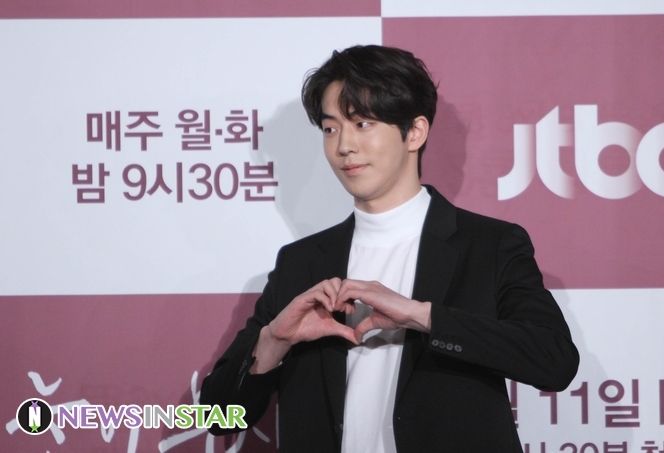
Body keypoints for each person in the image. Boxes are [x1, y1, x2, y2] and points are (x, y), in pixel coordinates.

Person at [200, 45, 579, 453]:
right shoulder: (301, 262)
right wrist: (274, 341)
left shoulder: (489, 245)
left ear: (415, 132)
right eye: (330, 129)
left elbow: (555, 362)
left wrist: (423, 316)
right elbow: (216, 418)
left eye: (362, 123)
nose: (344, 146)